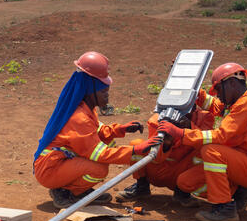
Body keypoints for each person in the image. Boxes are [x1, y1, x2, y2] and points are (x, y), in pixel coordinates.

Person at [33, 51, 157, 209]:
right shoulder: (79, 118)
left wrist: (121, 129)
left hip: (58, 163)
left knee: (108, 142)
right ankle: (67, 193)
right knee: (99, 169)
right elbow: (100, 154)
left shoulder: (85, 109)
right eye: (104, 92)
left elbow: (98, 131)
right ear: (90, 90)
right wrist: (136, 150)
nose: (107, 96)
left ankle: (79, 190)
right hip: (50, 170)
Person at [158, 62, 247, 221]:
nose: (218, 95)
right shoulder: (238, 102)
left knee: (211, 151)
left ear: (231, 83)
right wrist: (191, 87)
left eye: (218, 89)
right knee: (185, 182)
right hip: (240, 162)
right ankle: (241, 192)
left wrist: (182, 133)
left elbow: (222, 135)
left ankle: (224, 208)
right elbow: (214, 105)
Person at [120, 106, 212, 203]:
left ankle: (182, 193)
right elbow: (155, 156)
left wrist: (189, 127)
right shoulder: (157, 119)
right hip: (157, 170)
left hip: (182, 173)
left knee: (208, 150)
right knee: (137, 145)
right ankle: (142, 187)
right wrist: (166, 144)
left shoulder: (205, 117)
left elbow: (206, 140)